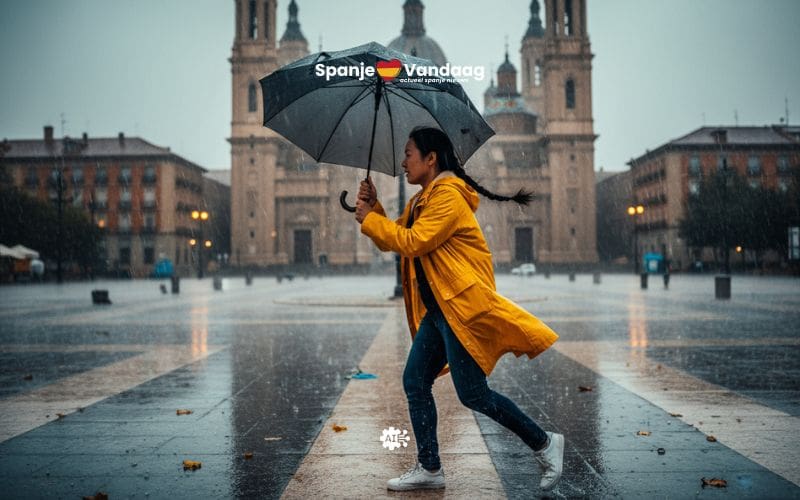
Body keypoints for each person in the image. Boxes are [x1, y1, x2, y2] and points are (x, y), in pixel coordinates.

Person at [355, 127, 564, 492]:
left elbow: (414, 242)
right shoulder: (423, 200)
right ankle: (429, 467)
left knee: (473, 394)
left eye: (408, 154)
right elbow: (396, 236)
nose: (403, 162)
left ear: (430, 158)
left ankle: (544, 443)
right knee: (415, 381)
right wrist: (374, 209)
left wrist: (371, 220)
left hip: (459, 308)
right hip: (439, 311)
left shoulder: (448, 197)